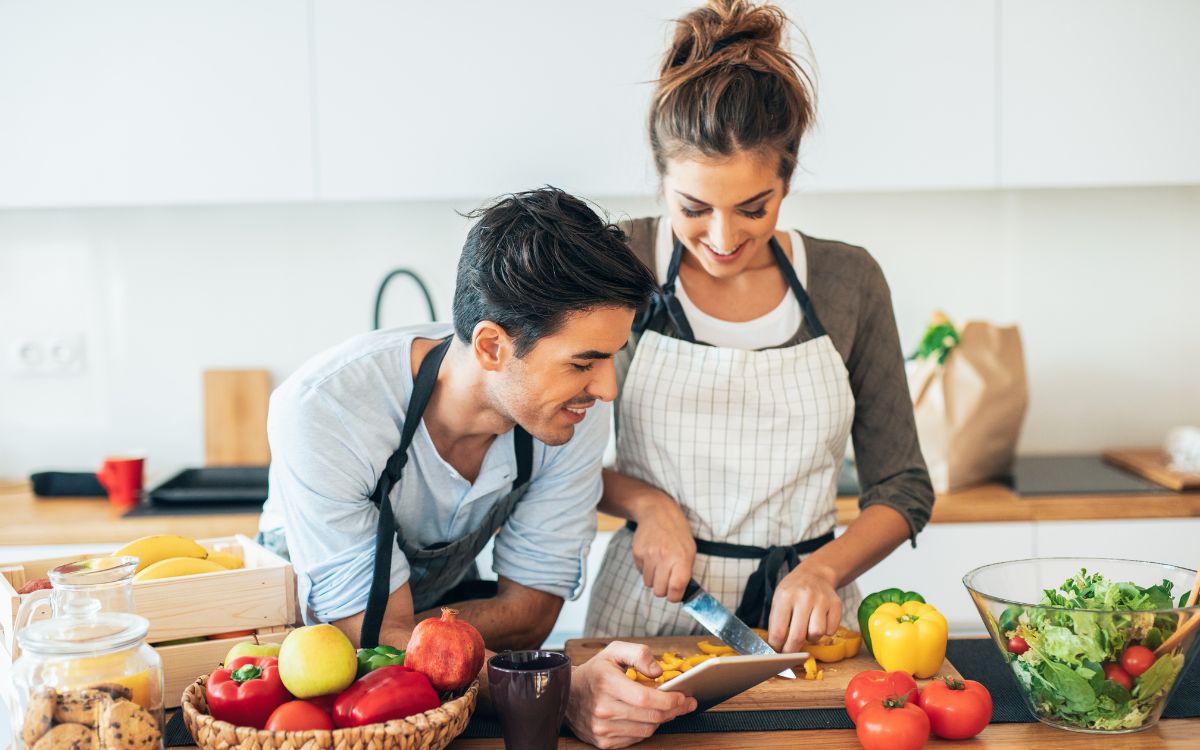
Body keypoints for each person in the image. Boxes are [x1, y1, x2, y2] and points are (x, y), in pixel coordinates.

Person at [258, 187, 696, 748]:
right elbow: (369, 644)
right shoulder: (327, 411)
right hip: (305, 678)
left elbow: (532, 613)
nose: (607, 388)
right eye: (584, 362)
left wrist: (417, 632)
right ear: (491, 347)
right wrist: (551, 690)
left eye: (612, 357)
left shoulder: (570, 412)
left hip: (443, 689)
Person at [585, 0, 936, 657]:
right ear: (661, 179)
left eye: (754, 208)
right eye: (694, 207)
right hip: (646, 614)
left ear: (788, 177)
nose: (722, 238)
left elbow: (902, 487)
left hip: (806, 624)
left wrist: (825, 568)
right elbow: (549, 454)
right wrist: (649, 506)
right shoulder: (619, 262)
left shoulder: (847, 281)